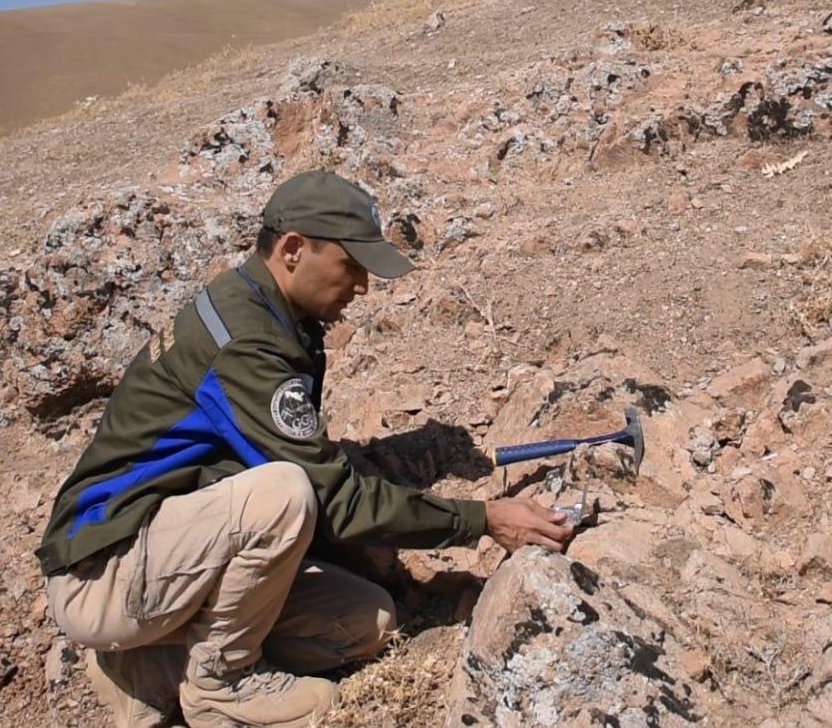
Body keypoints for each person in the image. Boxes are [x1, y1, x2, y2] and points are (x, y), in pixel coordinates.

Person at [36, 169, 572, 728]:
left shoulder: (270, 311)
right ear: (293, 249)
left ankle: (147, 669)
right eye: (351, 266)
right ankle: (222, 688)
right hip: (103, 569)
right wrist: (481, 520)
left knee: (366, 623)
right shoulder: (246, 342)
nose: (362, 286)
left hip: (164, 550)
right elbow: (332, 496)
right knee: (286, 493)